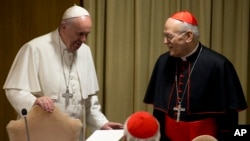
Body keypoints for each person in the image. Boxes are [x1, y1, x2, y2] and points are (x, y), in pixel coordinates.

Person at [3, 5, 123, 141]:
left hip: (75, 135)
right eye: (80, 34)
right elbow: (14, 89)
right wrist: (34, 101)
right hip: (42, 134)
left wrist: (102, 123)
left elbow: (88, 101)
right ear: (64, 26)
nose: (84, 40)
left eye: (87, 34)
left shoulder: (85, 52)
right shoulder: (34, 48)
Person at [143, 11, 248, 141]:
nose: (165, 41)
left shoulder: (218, 65)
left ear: (188, 36)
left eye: (169, 36)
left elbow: (229, 115)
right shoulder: (163, 62)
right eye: (164, 36)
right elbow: (159, 109)